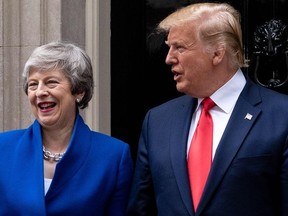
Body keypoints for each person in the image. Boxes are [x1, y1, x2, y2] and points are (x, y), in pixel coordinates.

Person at [127, 2, 288, 216]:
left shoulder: (281, 115)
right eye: (169, 47)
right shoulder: (157, 121)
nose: (168, 58)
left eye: (180, 47)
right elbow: (141, 208)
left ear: (217, 53)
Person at [0, 41, 133, 215]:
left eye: (51, 82)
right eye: (33, 84)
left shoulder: (114, 156)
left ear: (79, 91)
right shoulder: (3, 148)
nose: (39, 92)